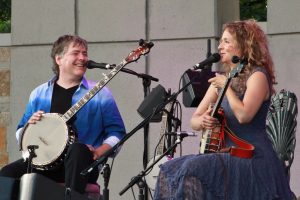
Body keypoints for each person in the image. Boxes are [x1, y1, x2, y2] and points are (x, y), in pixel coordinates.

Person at [154, 20, 295, 200]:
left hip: (252, 157)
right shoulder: (220, 81)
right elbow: (194, 121)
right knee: (168, 169)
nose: (220, 46)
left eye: (226, 41)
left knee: (192, 169)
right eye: (221, 41)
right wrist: (202, 120)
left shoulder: (257, 76)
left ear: (244, 45)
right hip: (224, 155)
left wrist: (227, 87)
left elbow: (244, 116)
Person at [0, 35, 126, 194]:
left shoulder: (101, 94)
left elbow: (117, 133)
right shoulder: (39, 93)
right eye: (76, 53)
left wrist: (99, 151)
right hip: (43, 164)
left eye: (85, 53)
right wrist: (29, 128)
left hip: (81, 165)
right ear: (58, 59)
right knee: (6, 174)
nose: (83, 58)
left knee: (77, 149)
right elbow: (20, 132)